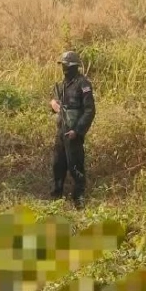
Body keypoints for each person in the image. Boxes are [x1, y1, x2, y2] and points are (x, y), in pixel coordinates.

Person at [49, 51, 96, 208]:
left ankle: (79, 200)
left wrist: (78, 130)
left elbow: (89, 110)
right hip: (61, 131)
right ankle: (56, 197)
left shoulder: (83, 84)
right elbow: (56, 104)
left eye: (66, 65)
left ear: (73, 66)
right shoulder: (61, 85)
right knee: (58, 164)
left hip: (74, 133)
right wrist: (54, 106)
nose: (64, 68)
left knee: (75, 166)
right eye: (62, 65)